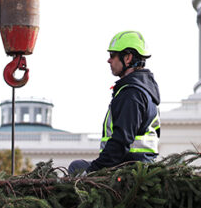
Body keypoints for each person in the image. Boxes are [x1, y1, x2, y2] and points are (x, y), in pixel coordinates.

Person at [68, 30, 161, 175]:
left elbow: (121, 142)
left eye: (112, 55)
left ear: (128, 58)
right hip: (136, 165)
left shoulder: (132, 94)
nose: (109, 60)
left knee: (76, 168)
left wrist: (93, 170)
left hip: (127, 169)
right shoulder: (144, 90)